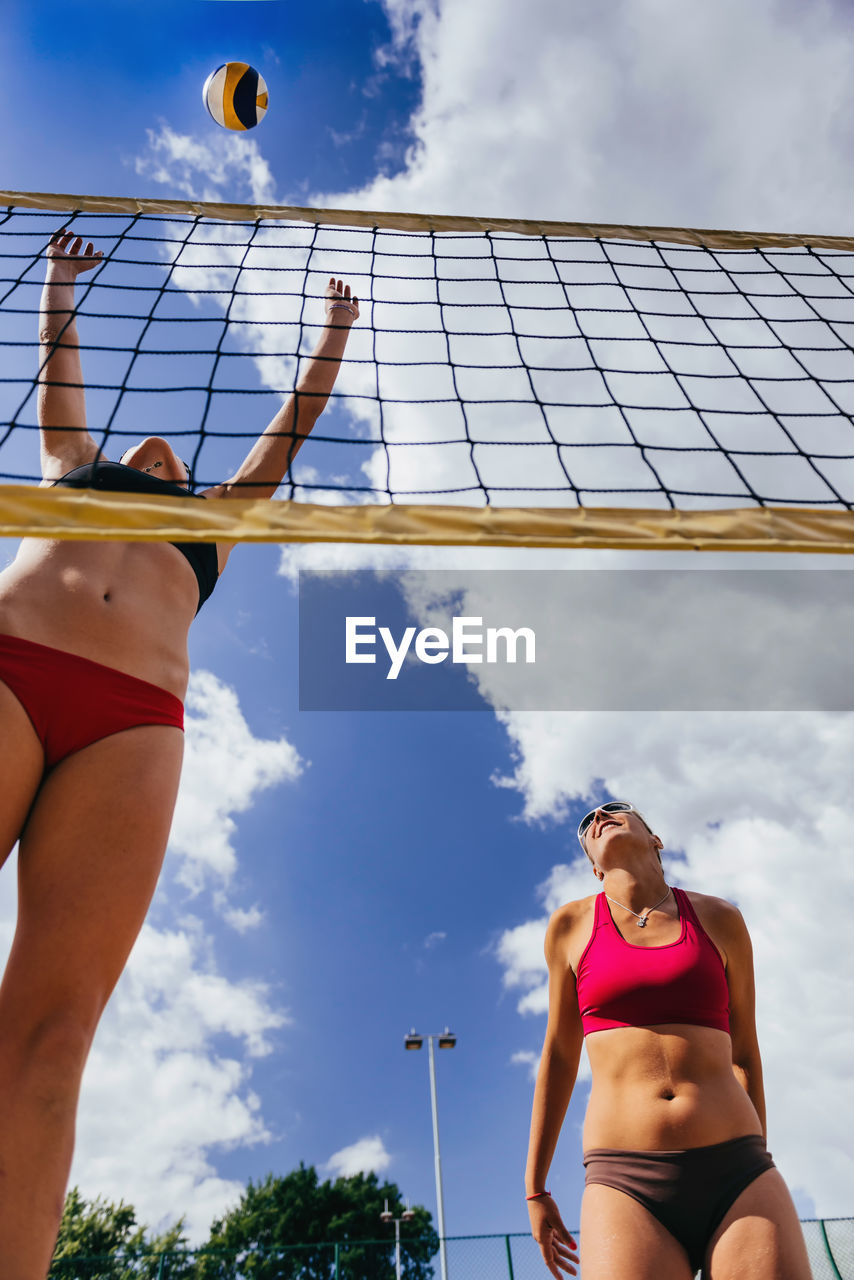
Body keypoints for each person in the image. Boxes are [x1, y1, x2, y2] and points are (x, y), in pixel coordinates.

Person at [0, 230, 359, 1279]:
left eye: (179, 455)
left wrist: (330, 337)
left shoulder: (216, 517)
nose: (163, 453)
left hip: (133, 720)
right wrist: (61, 288)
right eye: (148, 449)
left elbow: (283, 438)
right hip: (14, 666)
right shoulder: (74, 467)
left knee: (53, 1040)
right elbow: (55, 378)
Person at [525, 800, 812, 1280]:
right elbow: (557, 1056)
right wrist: (535, 1188)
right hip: (625, 1181)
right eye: (586, 823)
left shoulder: (720, 918)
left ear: (656, 839)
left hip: (737, 1169)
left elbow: (745, 1052)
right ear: (594, 868)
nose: (598, 818)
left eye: (615, 809)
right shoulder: (569, 927)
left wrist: (753, 1157)